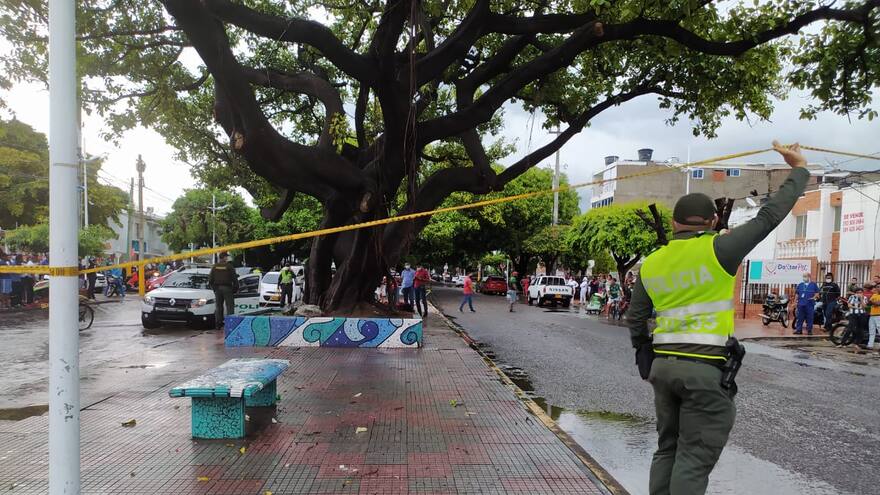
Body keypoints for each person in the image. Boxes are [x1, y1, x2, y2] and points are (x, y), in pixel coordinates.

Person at [628, 141, 809, 495]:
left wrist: (643, 353)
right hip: (705, 369)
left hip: (663, 368)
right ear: (712, 220)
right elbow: (769, 216)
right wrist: (799, 168)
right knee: (693, 457)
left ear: (673, 223)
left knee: (668, 448)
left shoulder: (651, 262)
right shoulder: (721, 250)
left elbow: (637, 319)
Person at [208, 252, 238, 330]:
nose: (227, 258)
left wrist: (214, 288)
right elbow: (234, 278)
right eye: (226, 257)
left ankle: (218, 324)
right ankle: (230, 324)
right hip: (227, 288)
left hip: (218, 289)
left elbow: (210, 279)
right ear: (224, 257)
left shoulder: (214, 267)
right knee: (230, 307)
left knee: (219, 307)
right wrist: (235, 289)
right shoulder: (229, 266)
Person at [867, 284, 880, 354]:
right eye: (877, 287)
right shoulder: (874, 295)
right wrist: (871, 302)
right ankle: (870, 345)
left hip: (879, 315)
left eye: (879, 287)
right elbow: (869, 303)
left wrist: (871, 301)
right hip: (872, 315)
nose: (877, 288)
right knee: (871, 331)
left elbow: (877, 304)